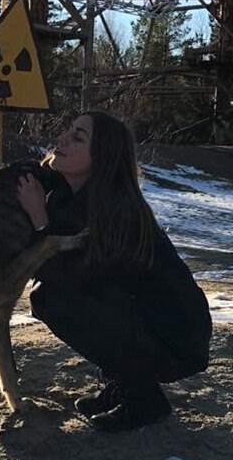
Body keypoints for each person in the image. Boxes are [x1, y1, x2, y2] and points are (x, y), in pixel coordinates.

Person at [14, 111, 212, 432]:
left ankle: (145, 400)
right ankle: (124, 382)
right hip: (144, 323)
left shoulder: (117, 211)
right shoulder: (70, 197)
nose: (62, 138)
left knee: (56, 299)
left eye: (78, 137)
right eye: (67, 131)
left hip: (176, 338)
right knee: (55, 297)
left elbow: (68, 277)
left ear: (102, 157)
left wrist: (39, 219)